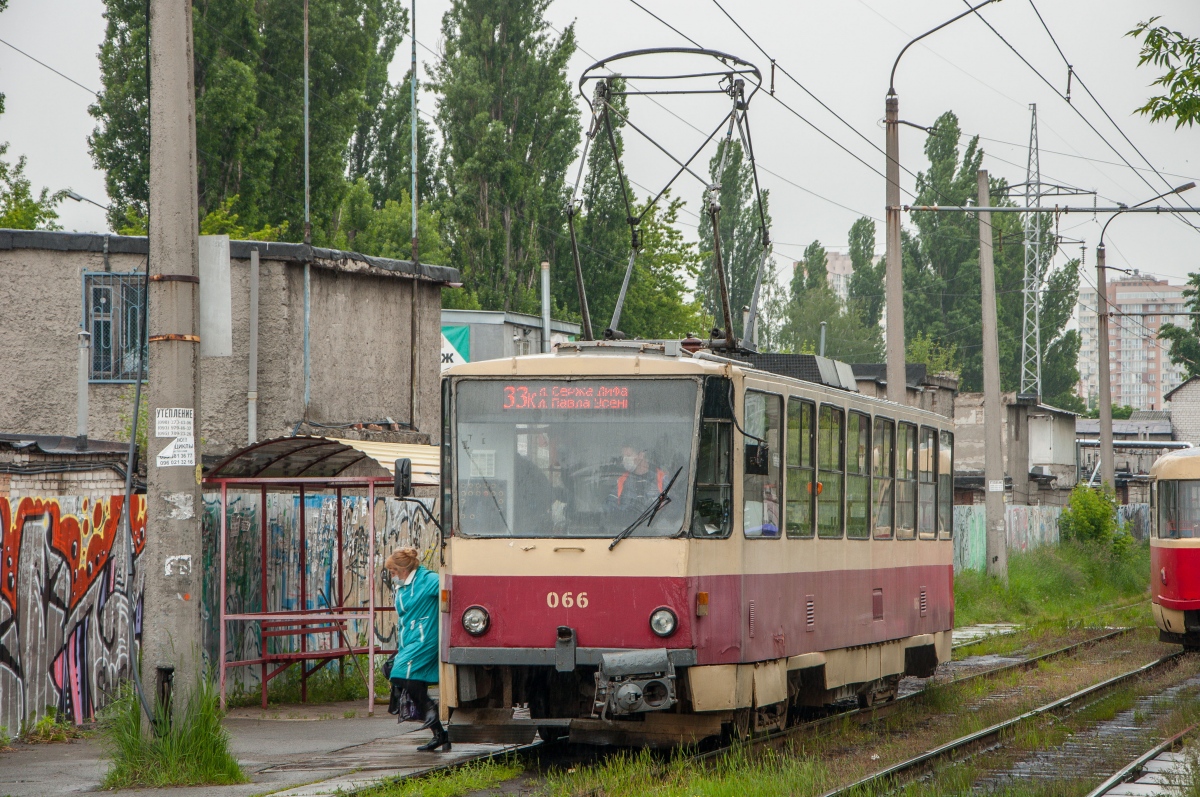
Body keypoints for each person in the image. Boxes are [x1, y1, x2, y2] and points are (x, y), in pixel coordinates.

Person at [385, 547, 449, 752]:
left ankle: (431, 709)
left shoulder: (428, 580)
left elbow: (451, 588)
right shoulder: (403, 586)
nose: (392, 576)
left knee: (403, 674)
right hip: (408, 640)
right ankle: (440, 734)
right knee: (393, 671)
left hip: (424, 638)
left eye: (393, 572)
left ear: (403, 569)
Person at [611, 444, 665, 512]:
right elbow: (609, 505)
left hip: (655, 521)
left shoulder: (661, 478)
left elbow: (673, 510)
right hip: (629, 522)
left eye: (628, 456)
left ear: (641, 455)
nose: (625, 460)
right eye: (623, 457)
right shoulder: (621, 480)